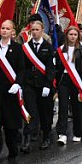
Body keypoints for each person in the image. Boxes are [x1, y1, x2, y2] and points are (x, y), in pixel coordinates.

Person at [0, 19, 25, 162]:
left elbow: (21, 69)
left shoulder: (18, 48)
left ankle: (13, 149)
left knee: (11, 124)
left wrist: (18, 84)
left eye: (8, 29)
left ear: (12, 31)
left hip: (11, 92)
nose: (5, 31)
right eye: (3, 28)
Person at [21, 20, 55, 151]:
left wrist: (48, 84)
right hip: (30, 84)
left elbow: (51, 68)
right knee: (30, 112)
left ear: (42, 31)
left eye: (37, 30)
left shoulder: (48, 47)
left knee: (45, 112)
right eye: (32, 30)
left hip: (43, 85)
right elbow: (22, 67)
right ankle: (27, 140)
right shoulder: (26, 47)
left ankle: (46, 137)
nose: (34, 32)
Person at [54, 26, 82, 145]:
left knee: (77, 107)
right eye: (70, 34)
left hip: (77, 81)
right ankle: (62, 134)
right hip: (63, 81)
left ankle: (77, 132)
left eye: (75, 34)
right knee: (63, 107)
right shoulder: (60, 50)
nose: (73, 37)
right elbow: (56, 68)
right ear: (66, 36)